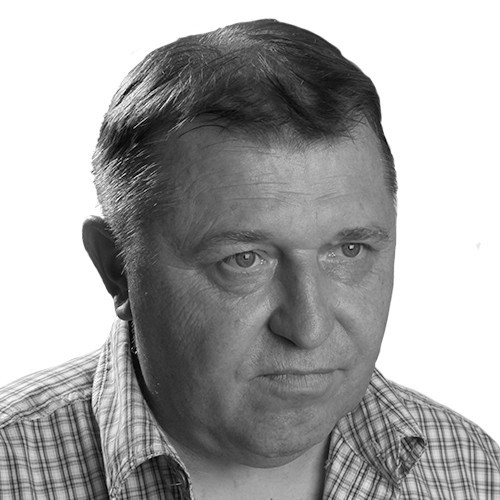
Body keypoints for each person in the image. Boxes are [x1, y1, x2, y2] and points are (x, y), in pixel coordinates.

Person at [0, 19, 498, 500]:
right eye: (244, 260)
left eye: (348, 251)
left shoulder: (474, 471)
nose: (309, 328)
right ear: (117, 268)